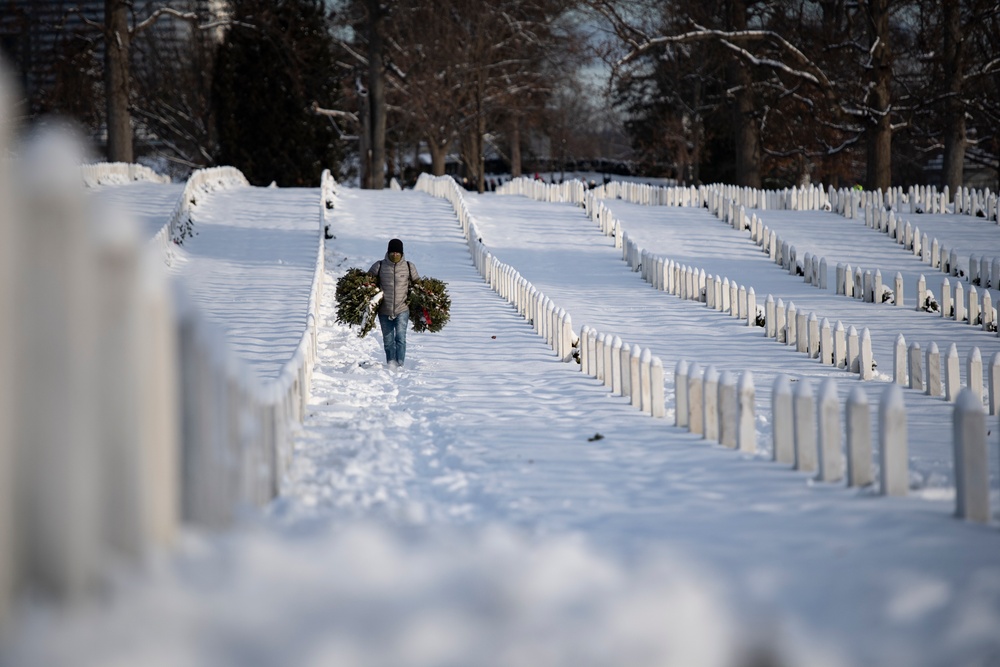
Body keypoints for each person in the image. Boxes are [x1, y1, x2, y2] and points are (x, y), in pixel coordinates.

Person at [368, 238, 419, 369]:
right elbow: (367, 282)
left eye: (397, 252)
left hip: (402, 308)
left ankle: (400, 363)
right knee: (388, 340)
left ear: (402, 253)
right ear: (388, 252)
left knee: (401, 338)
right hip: (384, 310)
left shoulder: (409, 266)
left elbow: (418, 284)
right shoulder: (379, 266)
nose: (395, 255)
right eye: (392, 252)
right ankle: (391, 363)